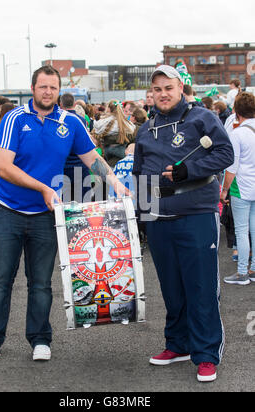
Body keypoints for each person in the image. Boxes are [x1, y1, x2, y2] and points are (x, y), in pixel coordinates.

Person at [0, 65, 130, 362]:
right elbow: (2, 167)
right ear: (33, 88)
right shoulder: (14, 118)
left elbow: (93, 158)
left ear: (59, 90)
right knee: (1, 280)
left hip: (45, 217)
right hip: (7, 212)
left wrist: (116, 183)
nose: (48, 92)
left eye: (53, 87)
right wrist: (44, 189)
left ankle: (39, 339)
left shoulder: (70, 122)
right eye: (42, 86)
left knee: (41, 282)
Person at [133, 65, 234, 383]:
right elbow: (139, 174)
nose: (163, 94)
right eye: (157, 89)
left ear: (180, 89)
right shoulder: (145, 129)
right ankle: (178, 345)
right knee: (172, 288)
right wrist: (141, 215)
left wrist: (188, 170)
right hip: (159, 219)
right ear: (152, 94)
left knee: (201, 288)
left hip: (197, 216)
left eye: (169, 88)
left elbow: (225, 154)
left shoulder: (202, 117)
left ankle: (205, 354)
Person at [221, 92, 255, 286]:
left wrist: (224, 190)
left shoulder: (237, 134)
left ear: (237, 111)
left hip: (241, 187)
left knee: (242, 231)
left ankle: (242, 272)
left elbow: (231, 168)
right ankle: (253, 269)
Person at [60, 93, 92, 202]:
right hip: (80, 165)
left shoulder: (57, 121)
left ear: (60, 104)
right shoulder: (82, 120)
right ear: (74, 104)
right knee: (83, 204)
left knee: (65, 205)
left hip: (64, 167)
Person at [93, 100, 135, 167]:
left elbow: (97, 128)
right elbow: (132, 129)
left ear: (109, 109)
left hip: (107, 150)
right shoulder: (124, 122)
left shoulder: (104, 121)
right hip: (121, 149)